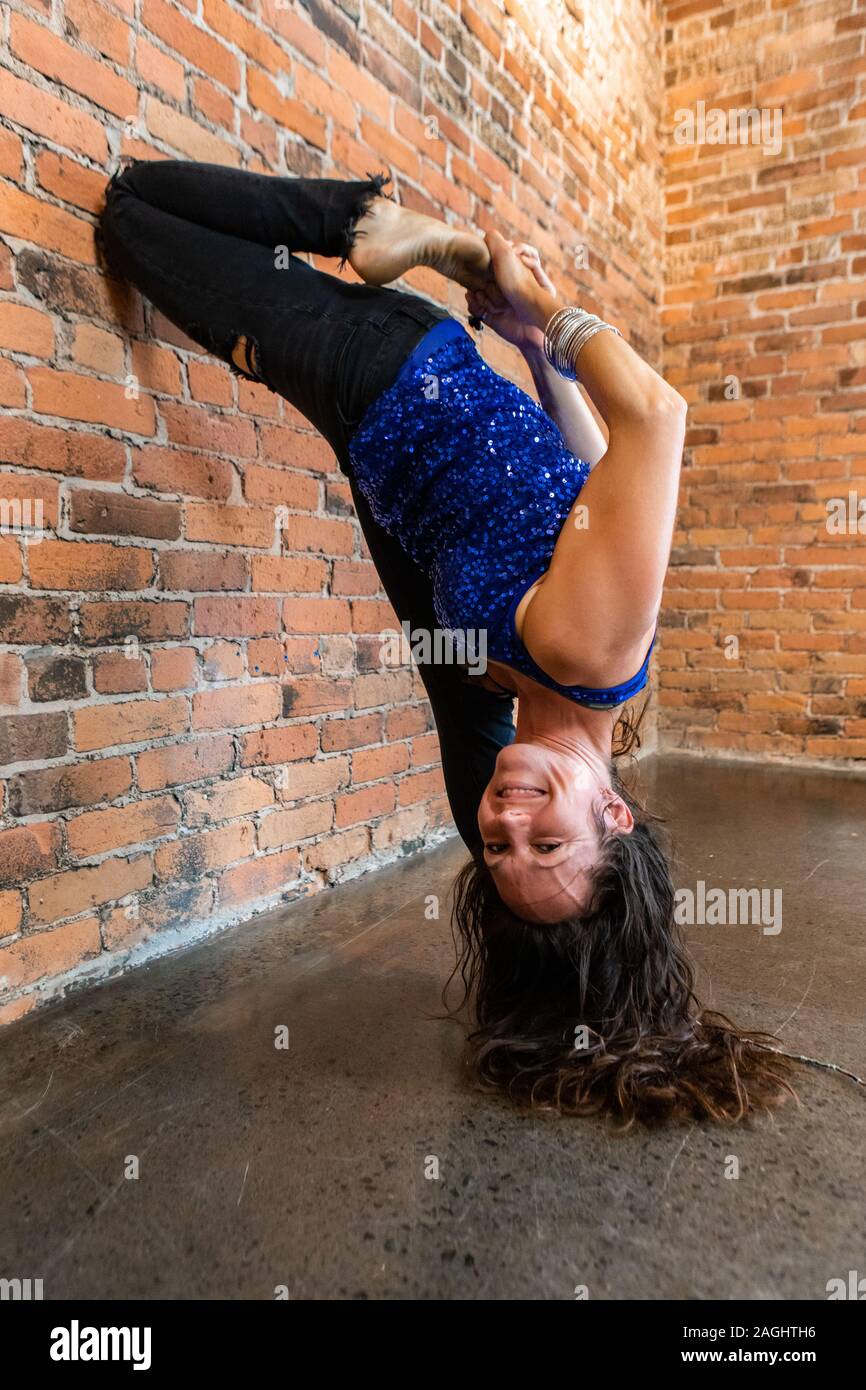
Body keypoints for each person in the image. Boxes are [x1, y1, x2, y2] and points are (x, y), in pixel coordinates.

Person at [98, 161, 797, 1122]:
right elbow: (656, 420)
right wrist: (535, 304)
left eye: (503, 847)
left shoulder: (534, 710)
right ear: (618, 817)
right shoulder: (590, 651)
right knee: (133, 216)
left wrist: (537, 362)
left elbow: (588, 474)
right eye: (545, 838)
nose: (507, 818)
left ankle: (362, 235)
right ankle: (369, 218)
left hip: (373, 417)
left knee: (460, 710)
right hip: (395, 375)